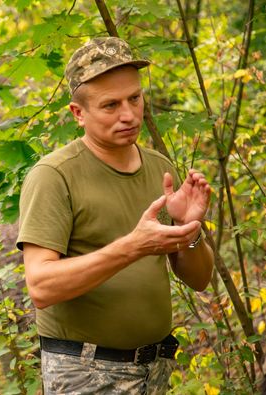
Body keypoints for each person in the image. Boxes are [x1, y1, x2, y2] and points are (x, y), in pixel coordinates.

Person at [16, 37, 214, 394]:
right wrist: (134, 247)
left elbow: (199, 280)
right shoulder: (54, 175)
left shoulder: (160, 167)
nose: (128, 114)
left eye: (134, 99)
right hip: (84, 371)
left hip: (155, 367)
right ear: (78, 114)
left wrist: (189, 230)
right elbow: (41, 287)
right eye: (110, 105)